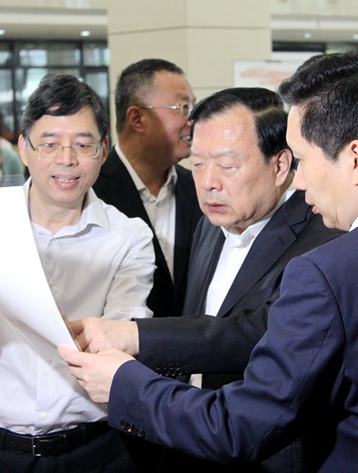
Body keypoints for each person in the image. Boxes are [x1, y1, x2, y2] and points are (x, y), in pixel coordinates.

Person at [58, 50, 358, 472]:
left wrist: (130, 359)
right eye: (197, 164)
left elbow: (258, 336)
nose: (209, 183)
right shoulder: (208, 226)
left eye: (228, 165)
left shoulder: (326, 248)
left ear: (280, 165)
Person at [0, 73, 156, 473]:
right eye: (49, 144)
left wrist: (81, 334)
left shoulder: (129, 236)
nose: (66, 159)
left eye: (82, 144)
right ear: (24, 149)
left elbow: (125, 333)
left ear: (103, 150)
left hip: (93, 451)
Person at [93, 58, 202, 319]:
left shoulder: (200, 188)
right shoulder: (91, 191)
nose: (193, 120)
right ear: (137, 118)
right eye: (183, 108)